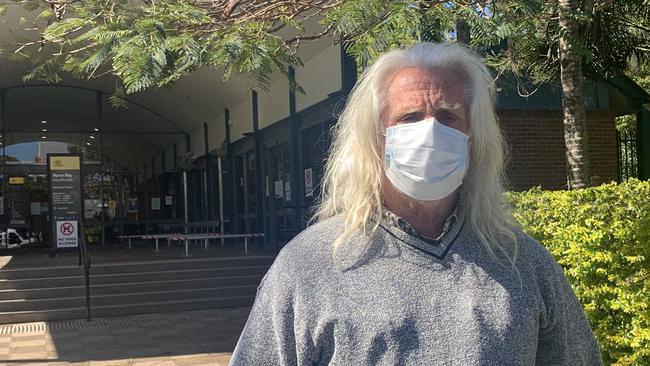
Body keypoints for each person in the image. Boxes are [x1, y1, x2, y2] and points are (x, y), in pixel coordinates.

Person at [229, 42, 602, 365]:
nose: (429, 130)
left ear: (473, 140)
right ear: (376, 139)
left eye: (447, 116)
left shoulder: (525, 264)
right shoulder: (308, 265)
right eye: (409, 117)